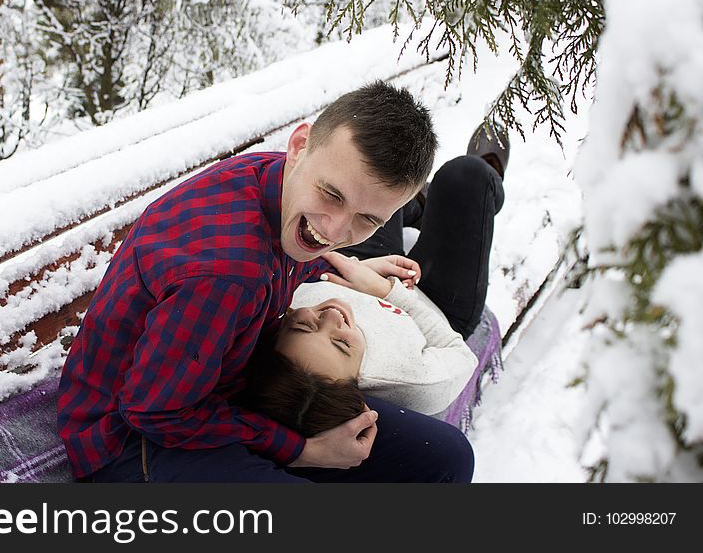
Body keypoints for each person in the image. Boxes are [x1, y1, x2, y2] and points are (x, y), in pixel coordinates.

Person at [57, 80, 474, 483]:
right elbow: (154, 412)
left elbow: (288, 256)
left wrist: (347, 261)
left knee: (446, 456)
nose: (334, 228)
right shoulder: (227, 277)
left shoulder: (278, 181)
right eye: (332, 195)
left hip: (215, 386)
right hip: (133, 441)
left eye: (367, 220)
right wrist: (300, 450)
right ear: (299, 146)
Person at [240, 121, 510, 438]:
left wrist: (359, 267)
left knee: (373, 173)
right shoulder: (412, 382)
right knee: (468, 176)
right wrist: (386, 291)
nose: (332, 315)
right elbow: (460, 355)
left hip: (355, 269)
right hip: (433, 310)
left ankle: (411, 206)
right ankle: (480, 185)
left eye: (306, 325)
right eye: (341, 343)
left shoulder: (273, 331)